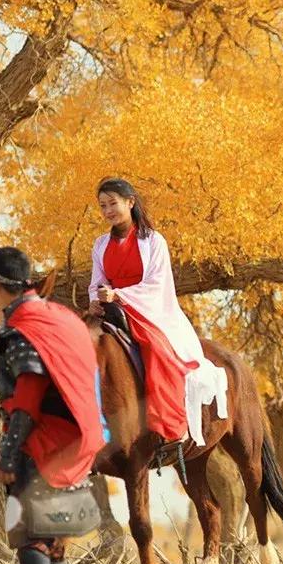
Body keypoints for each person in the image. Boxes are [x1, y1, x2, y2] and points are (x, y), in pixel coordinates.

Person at [0, 247, 106, 564]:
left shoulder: (23, 328)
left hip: (39, 440)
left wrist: (7, 453)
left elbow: (29, 394)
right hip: (71, 438)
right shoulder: (59, 315)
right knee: (50, 533)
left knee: (27, 531)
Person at [88, 178, 227, 447]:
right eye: (103, 206)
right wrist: (95, 299)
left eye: (112, 204)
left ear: (130, 202)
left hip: (148, 310)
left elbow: (157, 283)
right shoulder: (100, 245)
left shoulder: (153, 241)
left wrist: (119, 295)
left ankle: (170, 427)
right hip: (111, 310)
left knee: (156, 351)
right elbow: (97, 281)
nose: (107, 211)